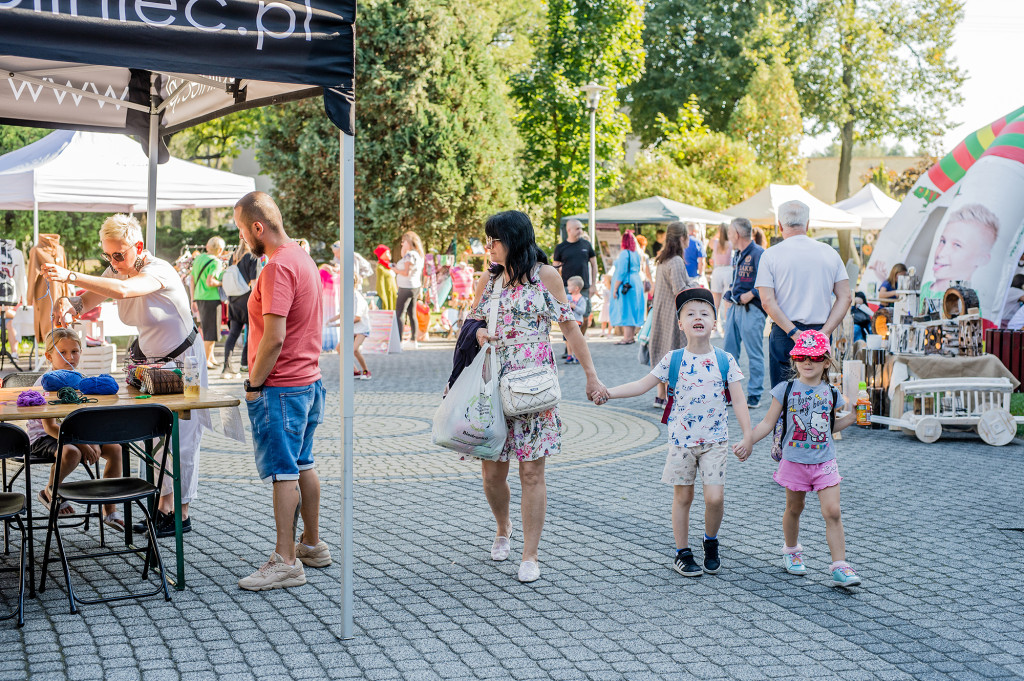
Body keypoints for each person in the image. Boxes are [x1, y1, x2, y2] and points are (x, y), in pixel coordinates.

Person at [44, 214, 207, 537]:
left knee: (182, 441)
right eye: (107, 254)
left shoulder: (158, 271)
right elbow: (90, 298)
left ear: (139, 247)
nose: (113, 261)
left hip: (183, 362)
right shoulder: (118, 268)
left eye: (118, 254)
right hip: (149, 366)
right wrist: (71, 304)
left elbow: (120, 290)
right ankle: (163, 507)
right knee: (158, 437)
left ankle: (177, 514)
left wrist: (71, 274)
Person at [469, 210, 608, 583]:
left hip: (534, 387)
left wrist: (591, 377)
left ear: (513, 239)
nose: (489, 247)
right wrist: (480, 336)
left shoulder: (545, 276)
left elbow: (570, 329)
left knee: (532, 472)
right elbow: (472, 327)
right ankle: (504, 527)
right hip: (494, 386)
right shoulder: (489, 279)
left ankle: (530, 555)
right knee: (491, 474)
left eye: (494, 240)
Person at [596, 289, 752, 577]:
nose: (698, 318)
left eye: (705, 313)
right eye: (690, 313)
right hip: (681, 442)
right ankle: (682, 553)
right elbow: (642, 385)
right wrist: (609, 393)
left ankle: (710, 541)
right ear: (680, 324)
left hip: (715, 441)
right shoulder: (673, 359)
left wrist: (747, 435)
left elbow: (739, 400)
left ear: (714, 323)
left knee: (715, 499)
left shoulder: (725, 360)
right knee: (683, 498)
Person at [233, 191, 330, 591]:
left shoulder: (276, 268)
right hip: (308, 381)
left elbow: (274, 338)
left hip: (282, 386)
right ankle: (311, 545)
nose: (242, 240)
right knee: (303, 463)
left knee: (283, 473)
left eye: (242, 230)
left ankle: (286, 560)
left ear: (258, 226)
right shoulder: (302, 258)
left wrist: (254, 383)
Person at [740, 330, 862, 588]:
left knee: (833, 511)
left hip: (825, 461)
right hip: (794, 461)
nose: (807, 362)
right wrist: (748, 440)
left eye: (814, 358)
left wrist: (853, 417)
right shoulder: (784, 390)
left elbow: (829, 427)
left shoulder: (832, 393)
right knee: (795, 508)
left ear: (826, 361)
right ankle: (792, 550)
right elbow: (767, 422)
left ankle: (840, 566)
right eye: (801, 356)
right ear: (794, 360)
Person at [27, 328, 124, 527]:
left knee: (115, 449)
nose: (70, 357)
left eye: (75, 351)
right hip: (44, 437)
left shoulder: (81, 380)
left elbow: (88, 419)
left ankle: (110, 510)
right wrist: (82, 444)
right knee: (71, 452)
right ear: (49, 355)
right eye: (62, 352)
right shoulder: (46, 383)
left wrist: (92, 440)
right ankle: (51, 491)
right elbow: (50, 427)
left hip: (77, 435)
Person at [756, 200, 852, 389]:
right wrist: (825, 332)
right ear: (807, 224)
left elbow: (767, 301)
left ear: (780, 225)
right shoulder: (829, 253)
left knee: (783, 395)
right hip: (820, 330)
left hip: (785, 332)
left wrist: (793, 332)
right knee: (817, 394)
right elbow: (845, 297)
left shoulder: (770, 255)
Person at [646, 221, 692, 409]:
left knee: (662, 351)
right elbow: (679, 290)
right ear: (682, 238)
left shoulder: (662, 259)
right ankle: (671, 397)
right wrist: (695, 287)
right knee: (673, 351)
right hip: (673, 314)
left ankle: (660, 396)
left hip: (660, 312)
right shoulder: (676, 261)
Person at [722, 218, 766, 408]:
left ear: (737, 234)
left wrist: (752, 293)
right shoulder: (737, 254)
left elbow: (769, 282)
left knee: (754, 354)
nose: (728, 236)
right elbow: (736, 280)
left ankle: (754, 394)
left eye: (730, 233)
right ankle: (732, 393)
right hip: (734, 308)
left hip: (752, 310)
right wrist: (729, 292)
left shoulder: (759, 253)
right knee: (728, 353)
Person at [922, 204, 999, 301]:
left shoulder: (970, 302)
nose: (941, 253)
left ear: (982, 259)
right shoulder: (925, 288)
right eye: (943, 241)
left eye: (957, 245)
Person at [552, 219, 598, 335]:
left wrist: (594, 285)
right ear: (569, 230)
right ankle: (570, 347)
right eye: (578, 228)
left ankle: (580, 341)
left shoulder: (586, 245)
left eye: (581, 228)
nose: (581, 231)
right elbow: (555, 269)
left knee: (585, 316)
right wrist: (556, 288)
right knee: (568, 318)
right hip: (567, 288)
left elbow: (594, 265)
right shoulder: (561, 247)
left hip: (585, 288)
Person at [222, 239, 259, 379]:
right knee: (251, 333)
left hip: (233, 300)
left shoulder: (234, 257)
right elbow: (254, 283)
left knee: (233, 334)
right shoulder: (252, 257)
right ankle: (244, 364)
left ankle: (226, 368)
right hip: (247, 299)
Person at [191, 236, 226, 369]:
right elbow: (210, 282)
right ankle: (206, 360)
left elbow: (192, 279)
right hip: (211, 298)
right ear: (220, 249)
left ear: (207, 247)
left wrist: (193, 298)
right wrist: (224, 283)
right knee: (211, 331)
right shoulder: (216, 262)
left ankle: (210, 357)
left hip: (199, 297)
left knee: (206, 328)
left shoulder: (199, 258)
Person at [610, 231, 645, 344]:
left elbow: (622, 272)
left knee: (626, 309)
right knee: (634, 309)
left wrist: (615, 288)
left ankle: (626, 337)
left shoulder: (625, 253)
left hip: (627, 284)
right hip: (636, 282)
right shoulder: (636, 253)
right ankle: (630, 337)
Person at [394, 231, 425, 346]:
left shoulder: (410, 255)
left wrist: (394, 269)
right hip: (414, 286)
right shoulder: (418, 254)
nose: (402, 244)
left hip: (405, 287)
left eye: (404, 241)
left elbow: (406, 272)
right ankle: (413, 340)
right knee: (411, 313)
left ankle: (399, 340)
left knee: (399, 313)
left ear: (409, 242)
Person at [709, 224, 733, 333]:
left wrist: (717, 233)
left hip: (718, 271)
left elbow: (709, 242)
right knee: (727, 300)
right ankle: (726, 326)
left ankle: (714, 326)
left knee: (716, 301)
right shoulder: (730, 244)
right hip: (728, 271)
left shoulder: (715, 243)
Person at [352, 272, 371, 379]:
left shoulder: (357, 298)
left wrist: (342, 323)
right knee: (340, 348)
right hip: (353, 328)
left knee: (354, 350)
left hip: (362, 328)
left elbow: (358, 317)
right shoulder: (348, 295)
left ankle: (366, 371)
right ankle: (355, 371)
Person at [564, 276, 587, 364]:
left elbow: (582, 311)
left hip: (577, 322)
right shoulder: (567, 297)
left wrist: (574, 306)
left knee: (575, 340)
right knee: (567, 339)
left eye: (569, 286)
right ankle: (570, 355)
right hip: (568, 321)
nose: (567, 287)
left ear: (576, 288)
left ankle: (578, 356)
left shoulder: (581, 299)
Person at [373, 244, 397, 311]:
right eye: (387, 252)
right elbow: (380, 284)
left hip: (393, 294)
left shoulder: (389, 266)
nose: (389, 254)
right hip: (387, 295)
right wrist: (384, 298)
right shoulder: (380, 268)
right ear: (382, 254)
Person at [634, 234, 654, 311]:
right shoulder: (644, 256)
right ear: (642, 246)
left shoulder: (631, 255)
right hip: (642, 282)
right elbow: (647, 272)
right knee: (642, 306)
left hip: (633, 283)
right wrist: (652, 285)